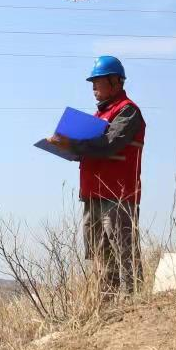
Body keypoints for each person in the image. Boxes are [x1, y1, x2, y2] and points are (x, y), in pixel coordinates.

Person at [48, 56, 147, 293]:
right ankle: (109, 308)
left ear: (115, 82)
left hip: (118, 195)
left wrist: (73, 143)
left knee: (124, 252)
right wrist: (67, 147)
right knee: (100, 255)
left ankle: (134, 302)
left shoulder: (128, 111)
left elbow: (108, 144)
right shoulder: (98, 116)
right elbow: (92, 149)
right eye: (92, 83)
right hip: (93, 195)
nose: (93, 88)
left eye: (97, 82)